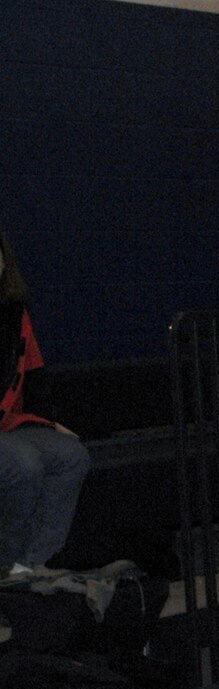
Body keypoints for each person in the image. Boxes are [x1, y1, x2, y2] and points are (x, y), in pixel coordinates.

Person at [0, 230, 90, 577]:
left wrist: (53, 422)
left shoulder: (14, 314)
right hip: (7, 432)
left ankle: (28, 568)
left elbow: (35, 377)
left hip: (13, 425)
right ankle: (5, 567)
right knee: (23, 465)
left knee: (71, 457)